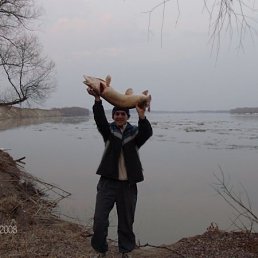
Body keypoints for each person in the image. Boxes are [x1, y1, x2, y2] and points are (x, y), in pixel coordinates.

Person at [87, 88, 153, 258]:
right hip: (107, 183)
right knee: (99, 221)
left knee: (126, 222)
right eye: (116, 114)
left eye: (123, 114)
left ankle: (125, 251)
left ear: (127, 117)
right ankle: (101, 250)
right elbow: (100, 120)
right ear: (113, 116)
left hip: (128, 185)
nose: (119, 116)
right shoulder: (108, 132)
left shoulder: (135, 133)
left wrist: (142, 115)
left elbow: (147, 133)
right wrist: (97, 99)